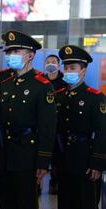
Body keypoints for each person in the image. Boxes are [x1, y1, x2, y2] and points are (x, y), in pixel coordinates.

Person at [0, 30, 56, 209]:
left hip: (27, 154)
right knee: (5, 202)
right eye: (9, 52)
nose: (11, 55)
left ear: (30, 56)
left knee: (25, 203)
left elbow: (48, 126)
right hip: (4, 152)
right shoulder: (5, 82)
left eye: (16, 52)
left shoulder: (42, 85)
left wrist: (43, 161)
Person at [55, 45, 106, 209]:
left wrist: (97, 163)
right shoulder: (59, 95)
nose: (68, 71)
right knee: (65, 203)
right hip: (63, 158)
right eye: (66, 67)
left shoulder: (94, 97)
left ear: (83, 70)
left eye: (73, 67)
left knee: (85, 203)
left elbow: (103, 132)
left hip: (85, 158)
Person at [43, 54, 67, 194]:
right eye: (48, 62)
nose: (50, 64)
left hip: (60, 126)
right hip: (44, 125)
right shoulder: (40, 81)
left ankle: (55, 183)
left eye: (53, 62)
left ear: (58, 64)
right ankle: (38, 184)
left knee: (58, 159)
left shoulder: (65, 81)